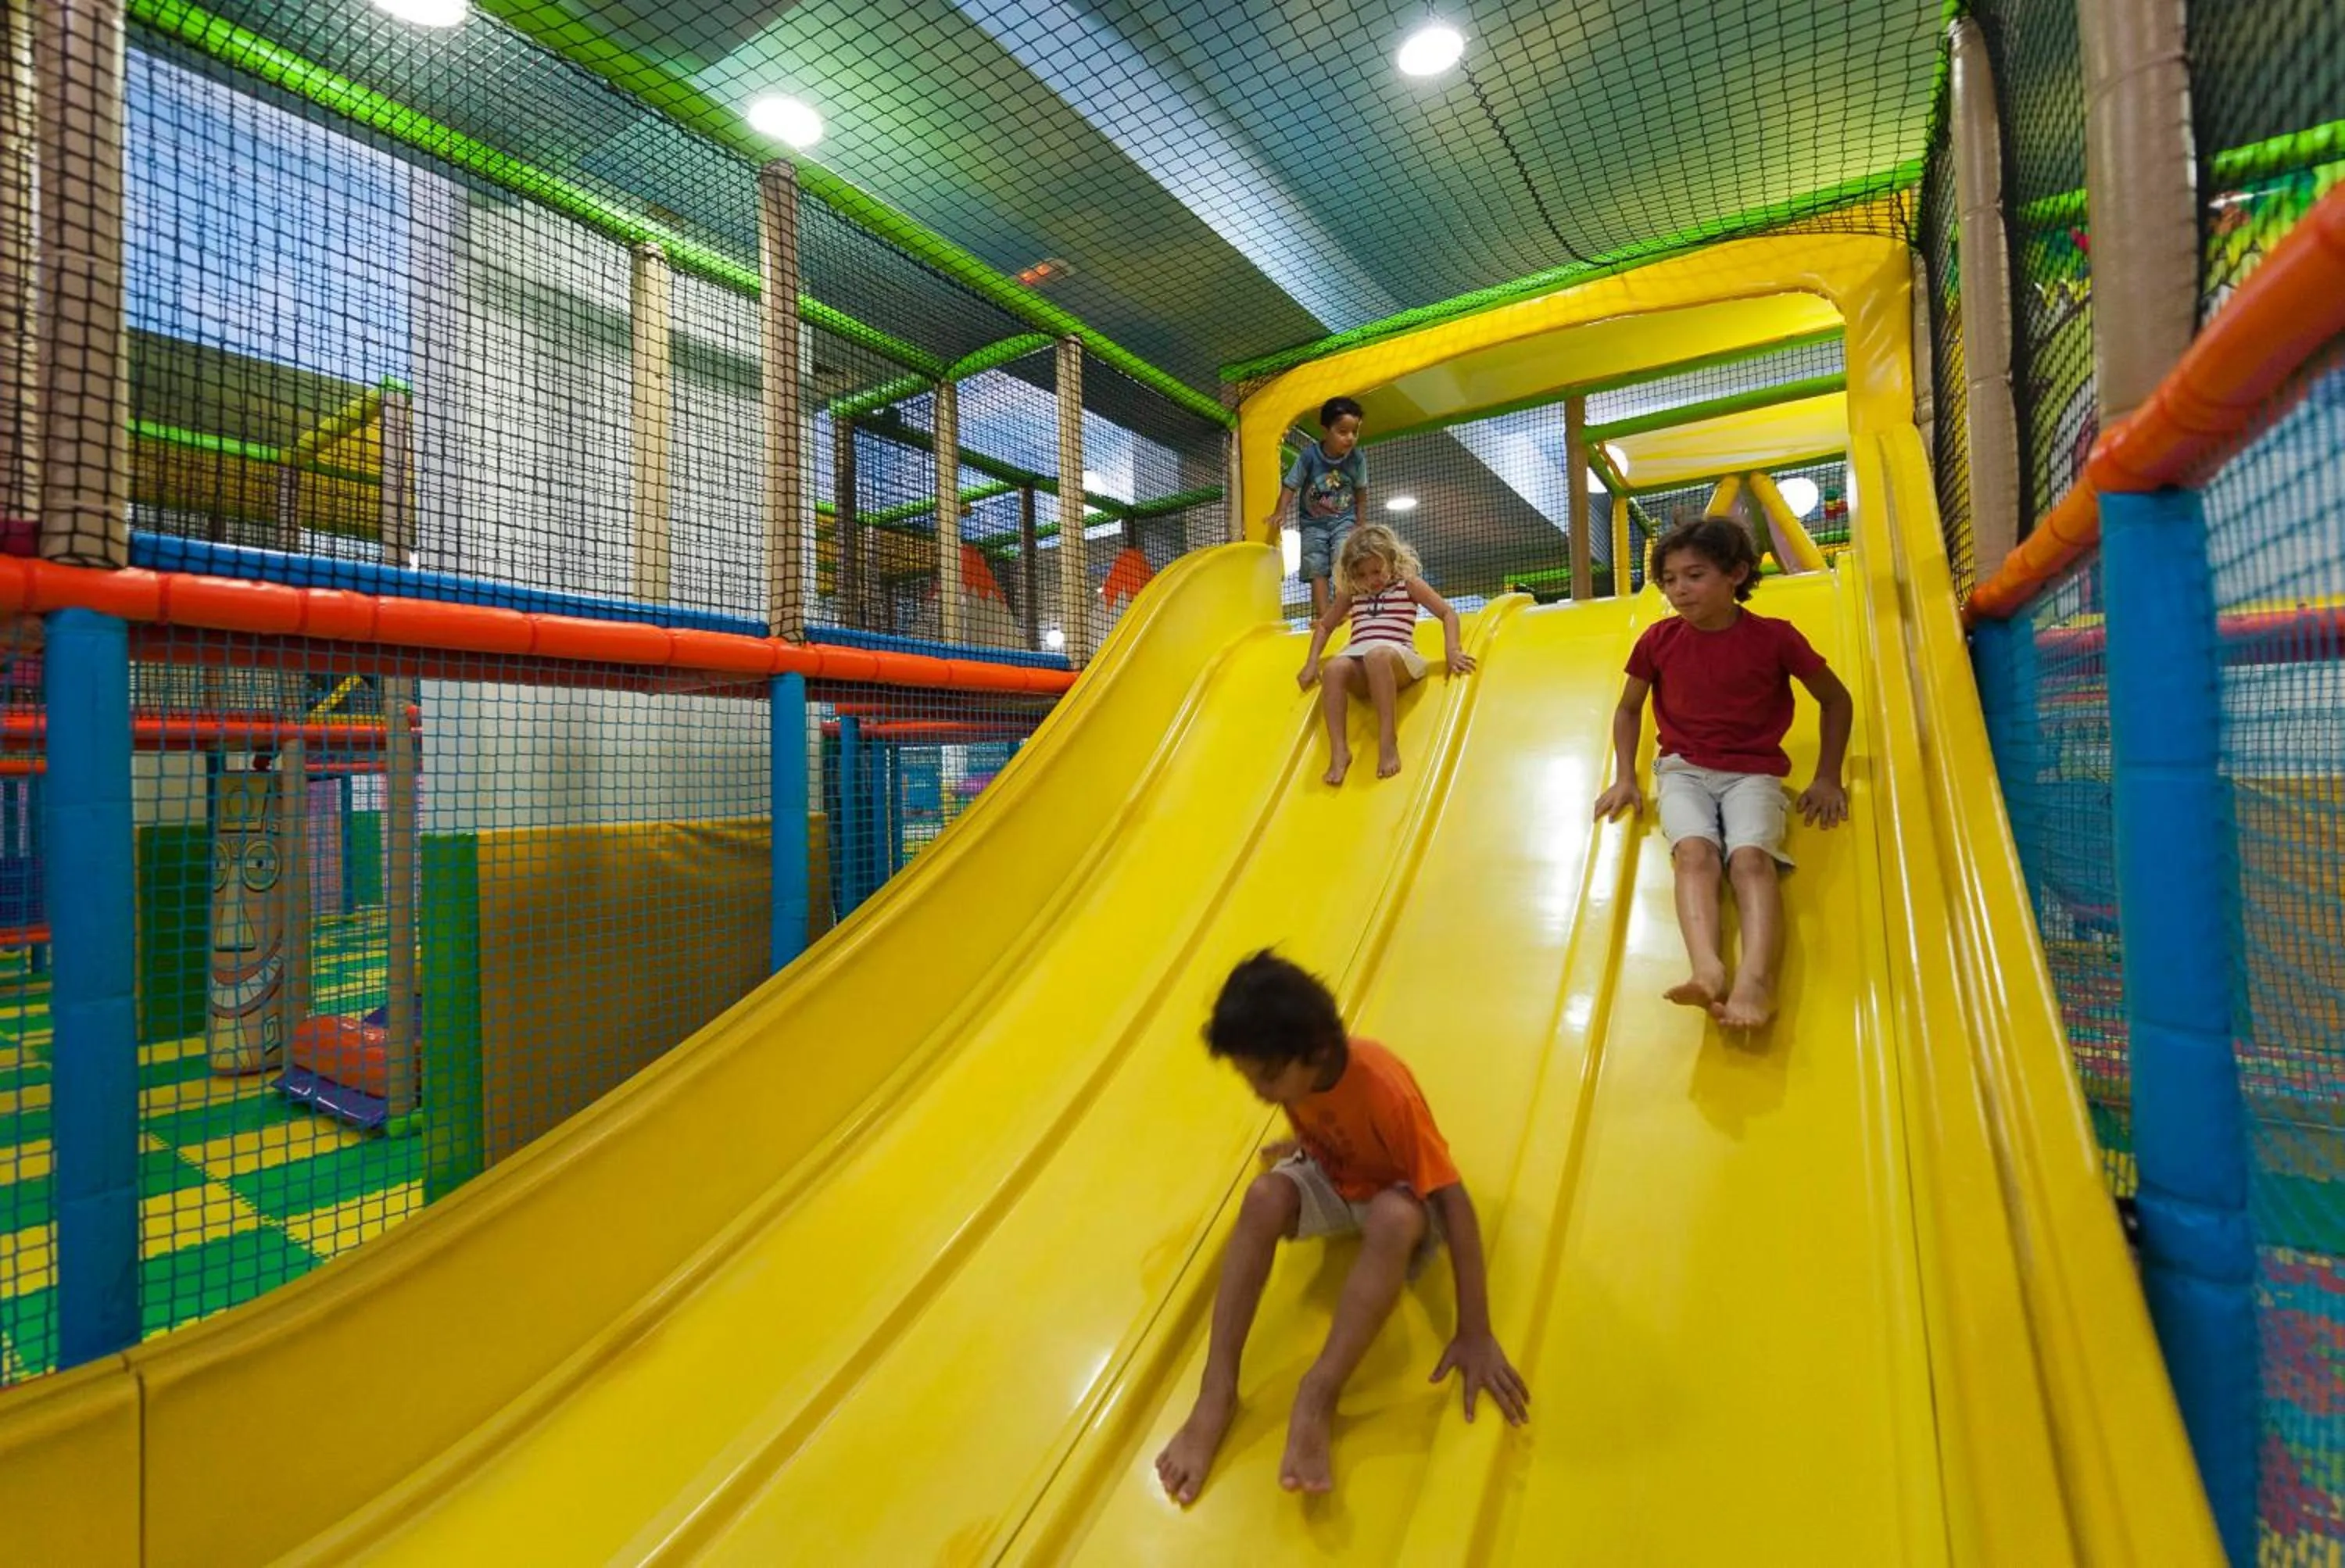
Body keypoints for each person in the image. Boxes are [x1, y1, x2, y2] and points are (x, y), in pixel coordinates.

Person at [1155, 951, 1528, 1504]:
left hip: (1397, 1196)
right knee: (1262, 1197)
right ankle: (1216, 1394)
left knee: (1395, 1217)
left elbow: (1454, 1202)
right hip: (1337, 1175)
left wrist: (1475, 1330)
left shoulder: (1384, 1088)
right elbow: (1321, 1118)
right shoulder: (1297, 1078)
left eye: (1269, 1076)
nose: (1260, 1092)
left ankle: (1318, 1393)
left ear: (1320, 1051)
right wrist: (1306, 1146)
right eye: (1250, 1078)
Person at [1593, 514, 1853, 1029]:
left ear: (1735, 574)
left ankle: (1756, 983)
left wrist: (1827, 776)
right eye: (1669, 580)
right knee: (1694, 853)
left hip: (1752, 772)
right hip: (1683, 769)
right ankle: (1708, 969)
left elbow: (1835, 699)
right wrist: (1626, 775)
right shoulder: (1657, 639)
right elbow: (1627, 709)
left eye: (1695, 576)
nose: (1679, 591)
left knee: (1751, 860)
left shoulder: (1776, 638)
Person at [1296, 524, 1473, 785]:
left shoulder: (1408, 585)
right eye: (1363, 575)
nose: (1372, 580)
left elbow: (1447, 613)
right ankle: (1339, 751)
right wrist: (1311, 664)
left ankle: (1388, 740)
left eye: (1377, 571)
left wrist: (1453, 651)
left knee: (1377, 656)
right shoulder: (1353, 593)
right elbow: (1324, 625)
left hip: (1396, 659)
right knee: (1333, 668)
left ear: (1391, 560)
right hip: (1362, 663)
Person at [1267, 396, 1368, 621]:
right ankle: (1325, 616)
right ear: (1326, 429)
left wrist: (1360, 523)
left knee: (1342, 560)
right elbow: (1290, 485)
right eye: (1343, 432)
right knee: (1316, 567)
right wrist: (1280, 512)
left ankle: (1343, 610)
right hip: (1313, 523)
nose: (1350, 438)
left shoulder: (1357, 459)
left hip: (1344, 520)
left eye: (1355, 432)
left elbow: (1361, 493)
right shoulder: (1310, 456)